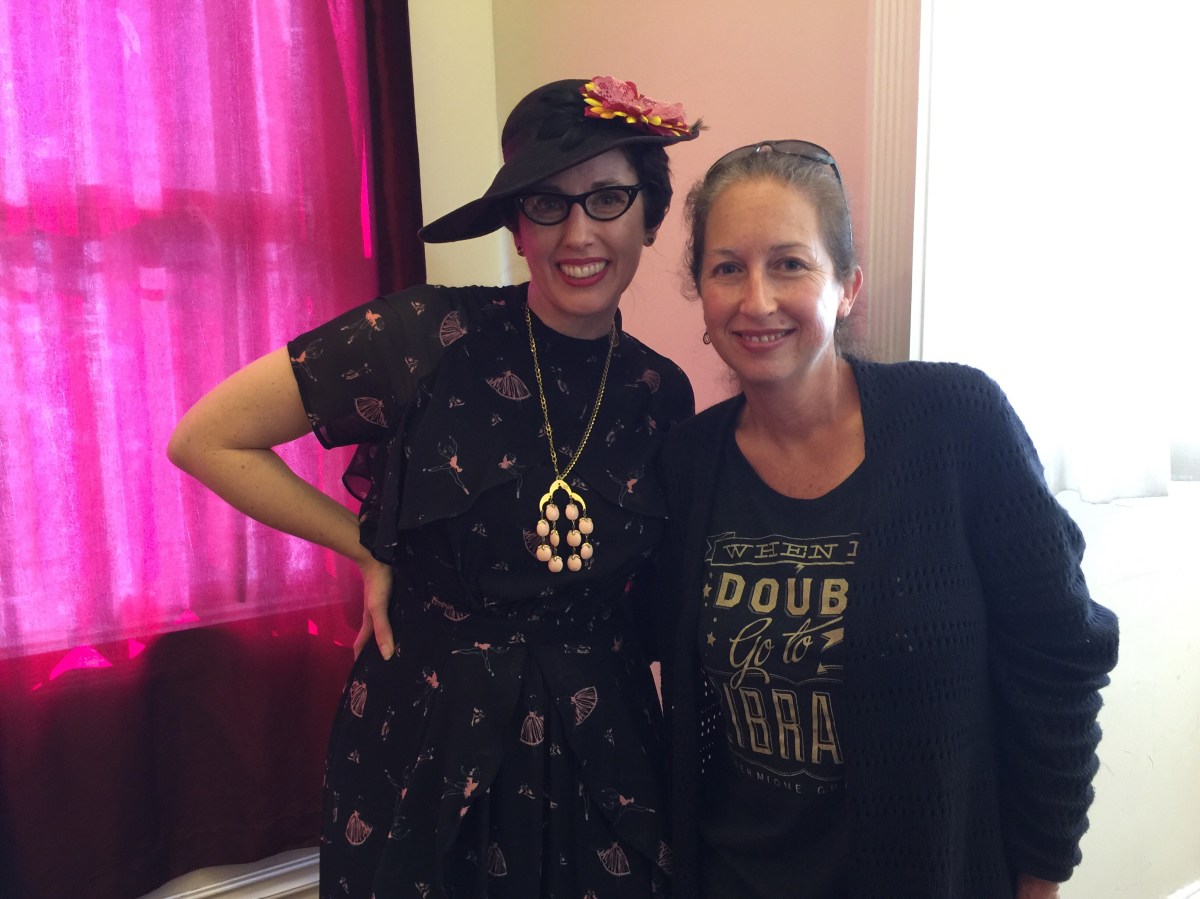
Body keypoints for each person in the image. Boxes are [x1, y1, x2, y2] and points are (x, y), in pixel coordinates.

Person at [168, 76, 699, 898]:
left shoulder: (660, 393)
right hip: (429, 733)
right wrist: (365, 548)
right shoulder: (426, 336)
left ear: (650, 216)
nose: (579, 232)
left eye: (607, 198)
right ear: (517, 226)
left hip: (605, 744)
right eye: (547, 204)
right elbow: (206, 437)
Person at [649, 140, 1119, 898]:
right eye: (727, 268)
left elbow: (1062, 654)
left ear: (847, 287)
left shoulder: (956, 422)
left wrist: (1042, 872)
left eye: (790, 264)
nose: (756, 300)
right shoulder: (686, 462)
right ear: (701, 294)